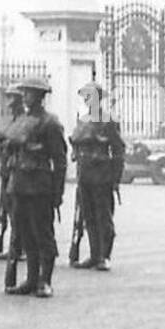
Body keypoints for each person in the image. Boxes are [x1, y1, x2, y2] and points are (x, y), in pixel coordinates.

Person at [2, 77, 68, 298]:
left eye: (30, 93)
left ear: (40, 96)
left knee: (43, 234)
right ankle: (31, 278)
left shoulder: (50, 123)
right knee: (24, 233)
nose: (26, 96)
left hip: (39, 185)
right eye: (25, 93)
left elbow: (59, 160)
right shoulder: (21, 120)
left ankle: (45, 280)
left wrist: (57, 192)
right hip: (19, 182)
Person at [69, 83, 126, 270]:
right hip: (85, 174)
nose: (87, 100)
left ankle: (105, 255)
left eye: (90, 96)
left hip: (102, 175)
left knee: (103, 216)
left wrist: (115, 178)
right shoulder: (82, 120)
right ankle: (94, 254)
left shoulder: (108, 120)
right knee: (88, 216)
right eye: (85, 96)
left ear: (98, 99)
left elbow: (118, 149)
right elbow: (75, 145)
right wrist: (76, 154)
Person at [0, 85, 24, 260]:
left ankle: (20, 247)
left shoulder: (26, 121)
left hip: (21, 172)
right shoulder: (5, 121)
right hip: (7, 170)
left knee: (18, 211)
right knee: (5, 208)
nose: (11, 103)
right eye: (9, 98)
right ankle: (2, 244)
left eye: (14, 99)